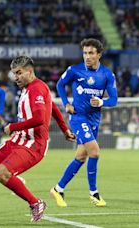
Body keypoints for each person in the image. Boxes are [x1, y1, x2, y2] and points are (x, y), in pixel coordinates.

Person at [0, 56, 76, 222]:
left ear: (30, 72)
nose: (15, 77)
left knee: (2, 173)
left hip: (33, 145)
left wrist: (13, 127)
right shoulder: (29, 87)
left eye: (19, 73)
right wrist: (65, 129)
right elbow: (52, 107)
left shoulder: (37, 88)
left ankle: (36, 203)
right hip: (19, 140)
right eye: (14, 74)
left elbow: (39, 118)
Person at [50, 38, 118, 208]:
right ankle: (94, 193)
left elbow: (114, 100)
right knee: (94, 152)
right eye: (85, 53)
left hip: (94, 120)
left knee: (81, 157)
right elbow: (60, 84)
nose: (87, 57)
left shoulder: (107, 75)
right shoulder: (74, 70)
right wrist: (66, 103)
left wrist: (102, 102)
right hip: (78, 118)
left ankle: (58, 189)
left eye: (91, 53)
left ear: (99, 55)